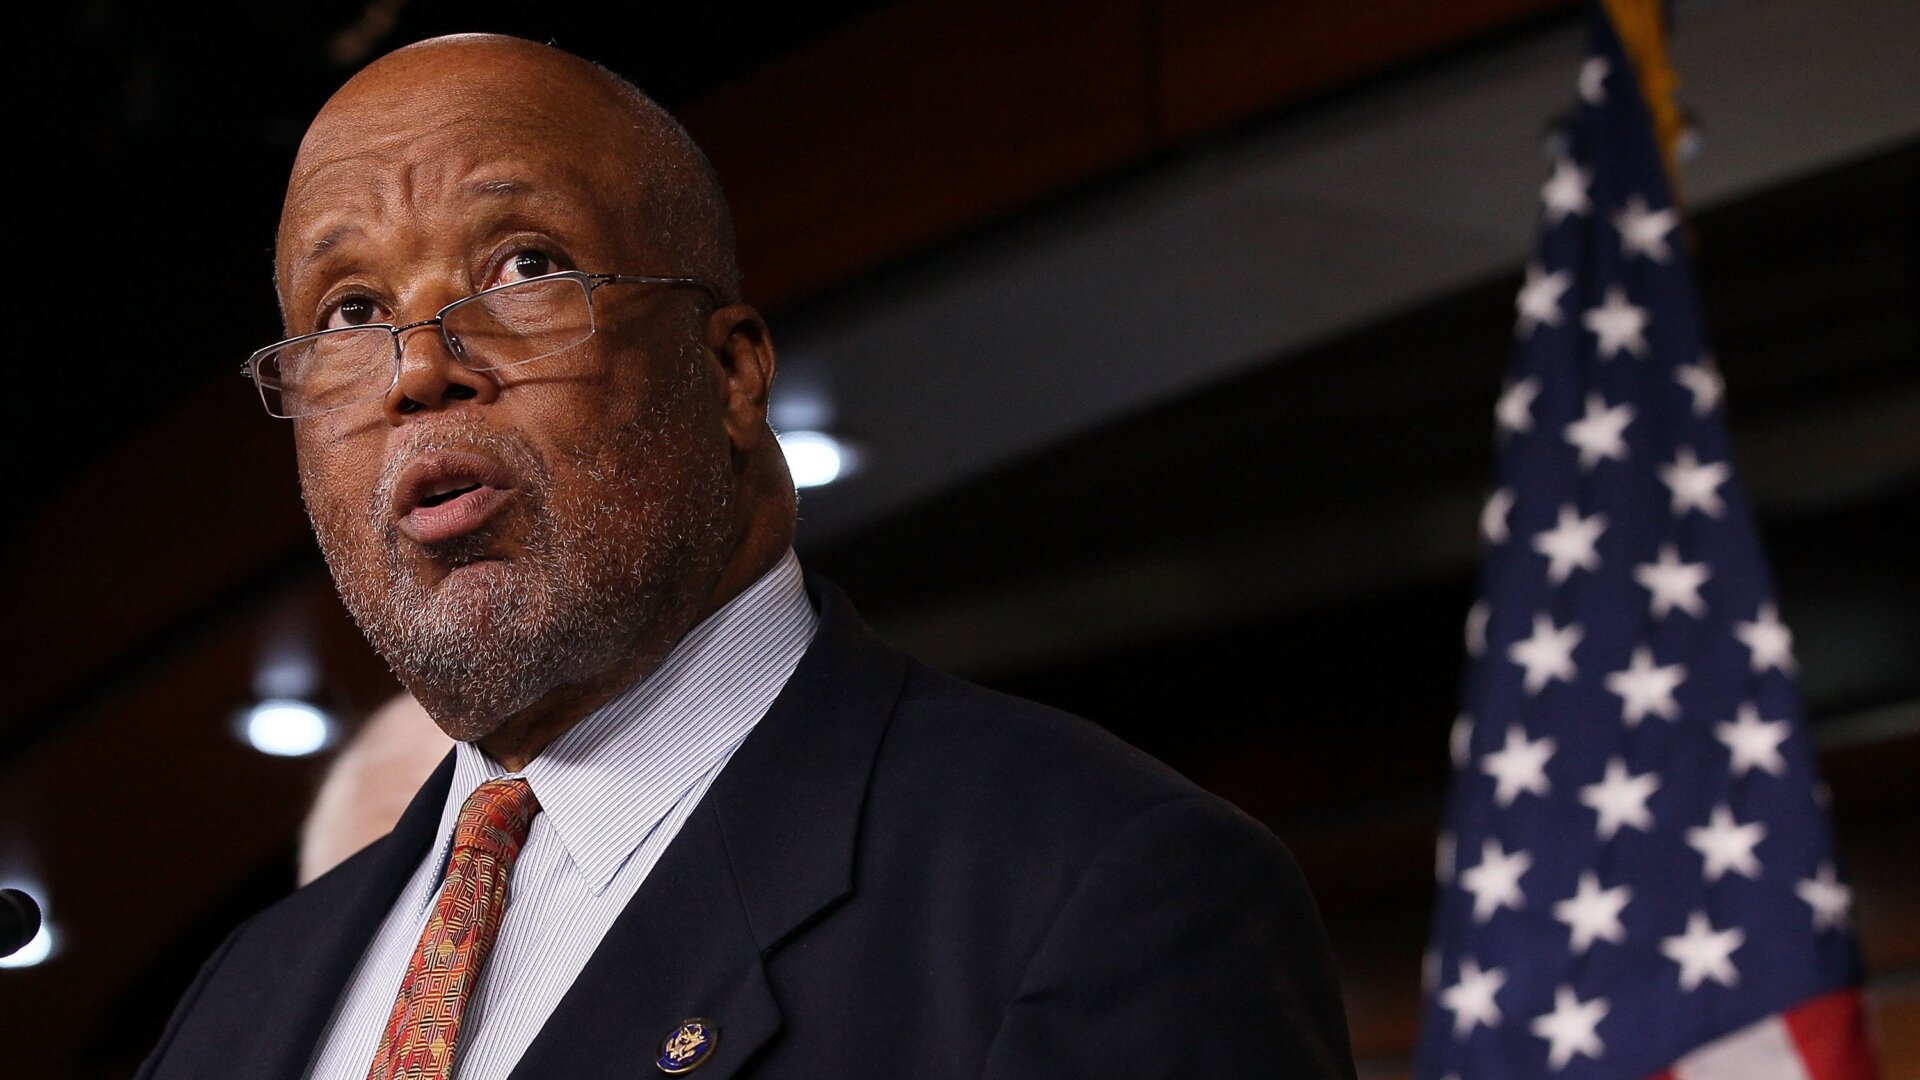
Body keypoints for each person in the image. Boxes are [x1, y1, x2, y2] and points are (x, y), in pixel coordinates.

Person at [138, 33, 1355, 1079]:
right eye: (348, 312)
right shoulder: (243, 1006)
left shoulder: (1096, 894)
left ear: (728, 373)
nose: (418, 368)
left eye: (525, 266)